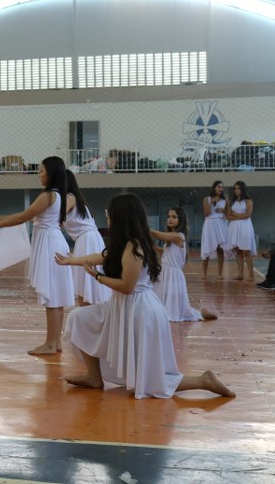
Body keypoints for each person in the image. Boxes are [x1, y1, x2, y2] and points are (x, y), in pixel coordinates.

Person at [55, 193, 235, 399]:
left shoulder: (134, 247)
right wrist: (71, 261)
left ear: (120, 217)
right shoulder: (124, 244)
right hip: (123, 307)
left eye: (109, 214)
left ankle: (203, 381)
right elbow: (100, 257)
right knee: (80, 318)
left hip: (139, 312)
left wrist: (97, 276)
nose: (107, 218)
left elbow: (126, 287)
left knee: (150, 382)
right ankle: (94, 377)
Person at [0, 156, 75, 355]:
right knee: (55, 295)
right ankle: (55, 341)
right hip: (53, 241)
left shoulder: (48, 195)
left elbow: (23, 217)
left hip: (50, 244)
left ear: (51, 173)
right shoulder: (59, 195)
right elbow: (26, 215)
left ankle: (50, 343)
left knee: (52, 296)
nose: (39, 175)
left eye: (41, 171)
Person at [151, 207, 217, 322]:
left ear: (180, 220)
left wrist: (141, 228)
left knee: (172, 309)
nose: (170, 219)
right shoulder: (171, 237)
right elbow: (167, 254)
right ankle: (200, 313)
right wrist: (155, 248)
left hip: (173, 275)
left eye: (174, 217)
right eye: (169, 216)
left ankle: (200, 313)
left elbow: (156, 234)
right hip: (166, 272)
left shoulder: (178, 236)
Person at [63, 170, 110, 306]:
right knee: (86, 282)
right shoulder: (72, 197)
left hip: (87, 240)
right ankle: (88, 313)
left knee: (87, 281)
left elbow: (56, 217)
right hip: (87, 239)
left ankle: (89, 313)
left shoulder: (69, 197)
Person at [225, 180, 256, 281]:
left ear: (243, 189)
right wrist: (239, 216)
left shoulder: (248, 201)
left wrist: (234, 214)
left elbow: (247, 215)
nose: (236, 190)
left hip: (245, 227)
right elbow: (228, 216)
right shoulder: (231, 202)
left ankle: (251, 275)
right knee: (238, 251)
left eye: (238, 188)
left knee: (246, 251)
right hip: (234, 228)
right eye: (235, 188)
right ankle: (240, 275)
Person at [201, 181, 228, 280]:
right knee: (207, 248)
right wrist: (211, 202)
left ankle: (220, 274)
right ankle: (204, 273)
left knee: (220, 249)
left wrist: (223, 210)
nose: (221, 189)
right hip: (209, 225)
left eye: (222, 187)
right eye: (219, 187)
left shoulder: (225, 200)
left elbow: (228, 214)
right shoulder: (206, 199)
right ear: (214, 188)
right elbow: (206, 213)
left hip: (221, 225)